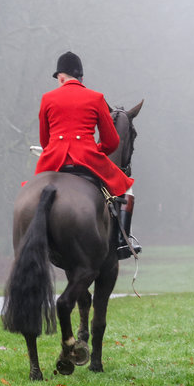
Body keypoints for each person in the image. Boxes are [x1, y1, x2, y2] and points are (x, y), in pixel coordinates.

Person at [34, 51, 139, 258]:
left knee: (32, 192)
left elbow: (44, 140)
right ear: (81, 78)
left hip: (54, 160)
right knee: (126, 189)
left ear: (61, 77)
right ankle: (122, 241)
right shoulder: (96, 98)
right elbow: (111, 142)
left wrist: (55, 149)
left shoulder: (47, 98)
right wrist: (97, 150)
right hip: (87, 159)